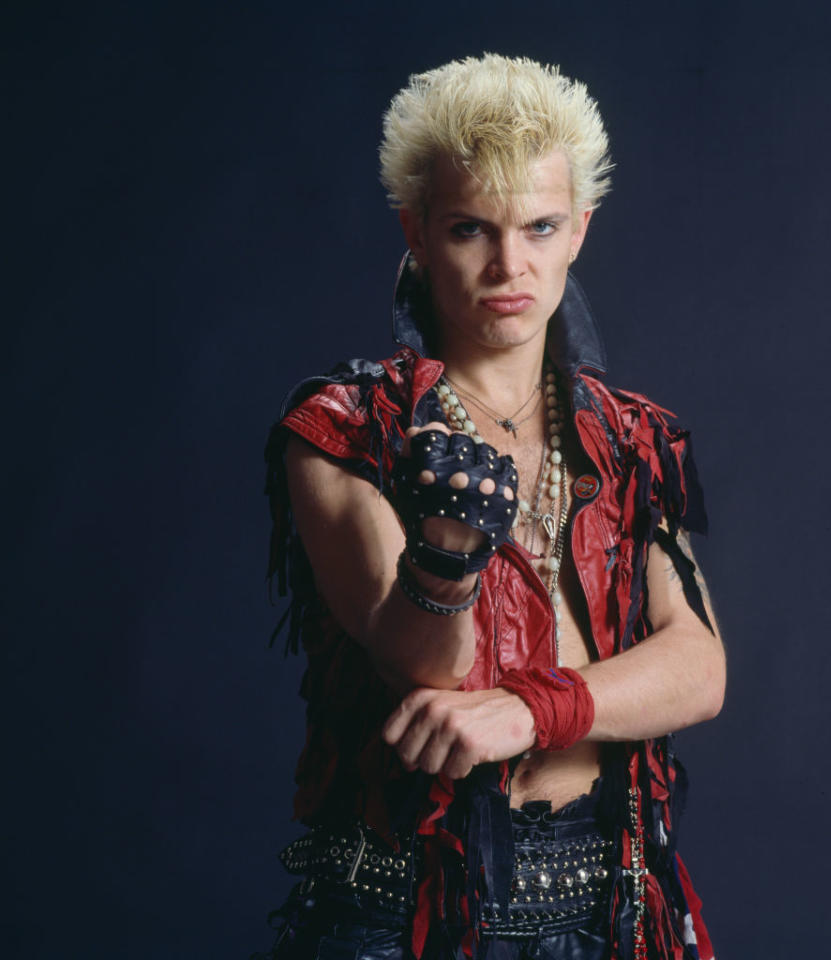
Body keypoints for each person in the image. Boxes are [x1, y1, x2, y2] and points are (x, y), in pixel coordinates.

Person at [257, 54, 725, 960]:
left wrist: (532, 711)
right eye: (473, 228)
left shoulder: (630, 440)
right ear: (419, 230)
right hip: (401, 914)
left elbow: (698, 667)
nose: (511, 265)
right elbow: (426, 679)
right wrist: (444, 556)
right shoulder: (344, 431)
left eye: (540, 227)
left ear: (579, 231)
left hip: (609, 911)